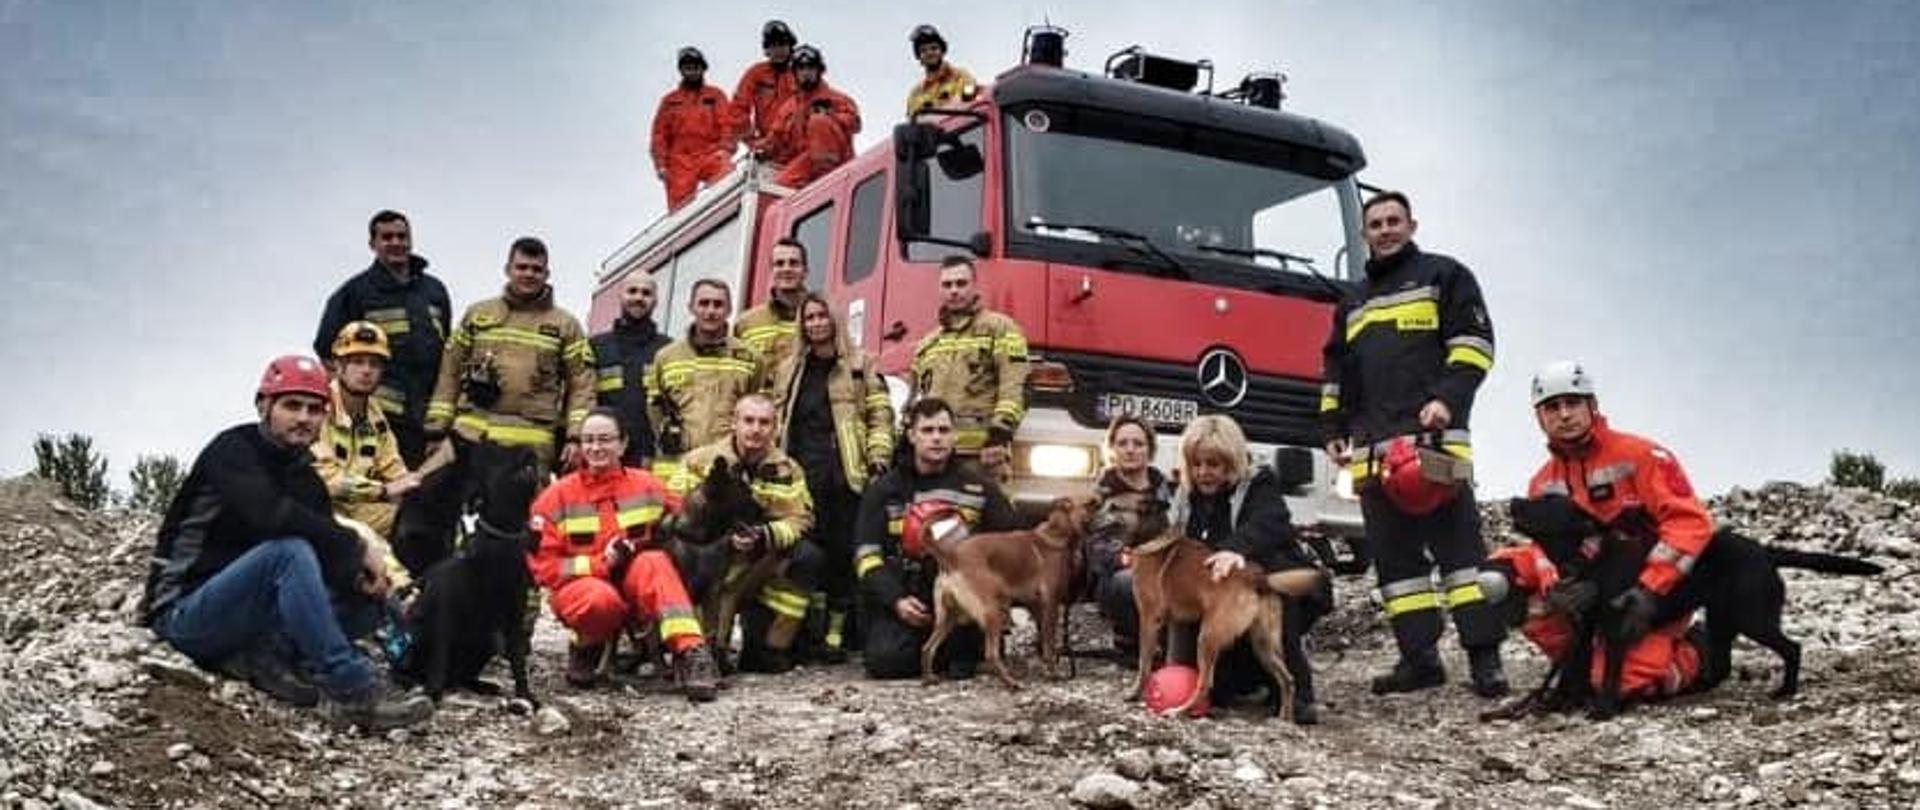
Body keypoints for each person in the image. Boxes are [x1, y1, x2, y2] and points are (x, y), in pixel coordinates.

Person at [140, 355, 432, 730]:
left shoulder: (305, 477)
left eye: (314, 409)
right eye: (291, 406)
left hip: (244, 612)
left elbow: (327, 546)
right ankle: (353, 694)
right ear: (264, 406)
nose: (303, 418)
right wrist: (359, 546)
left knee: (364, 600)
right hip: (183, 613)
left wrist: (366, 580)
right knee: (289, 553)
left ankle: (265, 658)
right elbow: (271, 515)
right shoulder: (233, 449)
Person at [1319, 190, 1509, 698]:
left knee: (1464, 559)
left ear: (1411, 224)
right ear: (1364, 235)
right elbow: (1336, 371)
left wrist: (1447, 399)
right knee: (1398, 569)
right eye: (1376, 223)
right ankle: (1419, 659)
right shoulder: (1352, 302)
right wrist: (1333, 429)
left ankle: (1486, 661)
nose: (1385, 230)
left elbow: (1475, 345)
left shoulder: (1446, 276)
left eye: (1393, 221)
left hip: (1436, 450)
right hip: (1374, 458)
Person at [1488, 361, 1711, 700]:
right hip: (1593, 594)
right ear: (1540, 417)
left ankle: (1697, 650)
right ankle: (1578, 664)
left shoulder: (1641, 456)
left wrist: (1648, 590)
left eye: (1573, 403)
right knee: (1499, 578)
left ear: (1592, 406)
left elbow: (1690, 524)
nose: (1564, 415)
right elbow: (1543, 548)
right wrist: (1556, 584)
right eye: (1552, 407)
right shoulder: (1543, 482)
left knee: (1625, 685)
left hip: (1648, 596)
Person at [411, 237, 596, 573]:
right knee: (438, 508)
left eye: (536, 269)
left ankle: (519, 613)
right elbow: (449, 372)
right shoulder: (478, 315)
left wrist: (575, 437)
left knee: (527, 530)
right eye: (522, 267)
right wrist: (437, 429)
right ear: (508, 269)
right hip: (471, 431)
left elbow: (582, 383)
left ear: (547, 273)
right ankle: (441, 590)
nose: (528, 274)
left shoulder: (565, 325)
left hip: (530, 440)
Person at [1137, 415, 1331, 723]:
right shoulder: (1186, 494)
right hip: (1221, 593)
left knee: (1276, 615)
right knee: (1224, 684)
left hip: (1275, 580)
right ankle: (1233, 682)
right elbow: (1173, 535)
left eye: (1213, 464)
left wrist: (1235, 549)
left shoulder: (1259, 482)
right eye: (1197, 464)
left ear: (1231, 462)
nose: (1204, 472)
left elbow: (1271, 522)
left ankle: (1299, 696)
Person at [527, 408, 720, 700]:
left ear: (623, 444)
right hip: (582, 589)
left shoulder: (648, 485)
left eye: (605, 439)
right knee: (599, 599)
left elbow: (687, 519)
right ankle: (586, 647)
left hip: (635, 584)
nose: (595, 448)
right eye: (588, 440)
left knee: (654, 561)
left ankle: (691, 653)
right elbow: (543, 567)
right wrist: (600, 563)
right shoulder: (556, 497)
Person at [769, 293, 895, 661]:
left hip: (846, 476)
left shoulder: (861, 363)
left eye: (822, 316)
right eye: (809, 318)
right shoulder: (789, 368)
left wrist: (879, 459)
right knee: (809, 556)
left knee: (843, 557)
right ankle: (809, 634)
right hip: (801, 478)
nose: (816, 324)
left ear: (835, 320)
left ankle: (837, 638)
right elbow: (778, 420)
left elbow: (880, 415)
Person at [855, 398, 1018, 679]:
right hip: (908, 591)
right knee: (885, 662)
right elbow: (865, 555)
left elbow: (1010, 545)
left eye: (943, 430)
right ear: (911, 436)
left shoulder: (979, 488)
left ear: (954, 436)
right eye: (928, 430)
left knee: (961, 666)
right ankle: (937, 648)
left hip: (962, 595)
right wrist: (896, 600)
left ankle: (965, 643)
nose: (936, 439)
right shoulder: (886, 489)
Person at [668, 394, 820, 673]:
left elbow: (801, 520)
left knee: (807, 557)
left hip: (756, 562)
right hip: (705, 562)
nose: (756, 429)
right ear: (734, 424)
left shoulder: (788, 470)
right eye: (748, 420)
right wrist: (721, 540)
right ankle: (699, 647)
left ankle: (770, 647)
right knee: (712, 658)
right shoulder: (697, 461)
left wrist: (762, 536)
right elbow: (673, 513)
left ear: (775, 428)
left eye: (764, 422)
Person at [313, 210, 453, 468]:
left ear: (411, 240)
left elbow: (447, 352)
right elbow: (326, 352)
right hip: (378, 419)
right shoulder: (354, 292)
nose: (396, 243)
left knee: (422, 498)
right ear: (373, 244)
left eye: (402, 236)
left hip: (427, 420)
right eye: (387, 237)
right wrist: (349, 409)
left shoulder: (435, 290)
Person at [310, 322, 418, 590]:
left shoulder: (375, 414)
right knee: (364, 536)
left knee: (422, 521)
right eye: (357, 361)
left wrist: (417, 491)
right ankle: (405, 600)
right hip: (317, 509)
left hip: (362, 508)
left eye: (374, 363)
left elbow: (394, 468)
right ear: (338, 365)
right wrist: (382, 490)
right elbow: (326, 478)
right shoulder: (316, 407)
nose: (367, 370)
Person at [645, 279, 766, 481]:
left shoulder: (751, 358)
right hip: (677, 467)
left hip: (729, 467)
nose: (710, 311)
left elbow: (760, 411)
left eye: (718, 305)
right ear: (691, 307)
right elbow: (654, 408)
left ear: (729, 310)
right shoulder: (665, 358)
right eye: (704, 303)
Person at [909, 256, 1029, 460]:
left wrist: (1000, 433)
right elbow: (915, 400)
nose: (954, 290)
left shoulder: (1000, 328)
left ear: (974, 286)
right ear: (939, 290)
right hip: (936, 457)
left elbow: (1014, 385)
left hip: (981, 454)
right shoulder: (927, 344)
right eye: (947, 285)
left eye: (961, 283)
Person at [1088, 414, 1173, 657]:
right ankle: (1130, 638)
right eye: (1122, 443)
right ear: (1112, 449)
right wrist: (1127, 559)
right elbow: (1096, 552)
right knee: (1127, 582)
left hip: (1168, 569)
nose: (1130, 450)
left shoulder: (1170, 491)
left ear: (1150, 449)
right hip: (1120, 573)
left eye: (1138, 444)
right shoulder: (1098, 496)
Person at [589, 274, 672, 469]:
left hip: (649, 459)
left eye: (646, 293)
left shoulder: (668, 350)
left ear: (656, 301)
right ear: (620, 295)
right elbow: (584, 398)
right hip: (604, 456)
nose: (638, 297)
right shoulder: (596, 347)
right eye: (632, 291)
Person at [764, 44, 861, 188]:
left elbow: (855, 123)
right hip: (807, 160)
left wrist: (829, 115)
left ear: (819, 70)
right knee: (780, 185)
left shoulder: (836, 98)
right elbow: (774, 140)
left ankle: (826, 183)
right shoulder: (787, 109)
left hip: (839, 163)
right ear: (795, 73)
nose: (806, 72)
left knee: (818, 122)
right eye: (801, 68)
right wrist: (761, 151)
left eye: (810, 67)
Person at [653, 46, 736, 211]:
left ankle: (728, 213)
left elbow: (727, 124)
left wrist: (726, 148)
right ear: (681, 71)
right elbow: (659, 135)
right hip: (680, 160)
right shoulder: (669, 101)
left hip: (710, 152)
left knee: (727, 178)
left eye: (695, 66)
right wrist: (661, 164)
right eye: (687, 67)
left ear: (703, 68)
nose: (692, 71)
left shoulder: (715, 95)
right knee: (680, 211)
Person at [733, 238, 810, 373]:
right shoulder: (746, 324)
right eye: (780, 264)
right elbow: (735, 377)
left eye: (793, 263)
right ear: (771, 272)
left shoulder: (822, 318)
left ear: (806, 271)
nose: (786, 269)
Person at [733, 19, 800, 158]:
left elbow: (822, 99)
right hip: (768, 147)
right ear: (766, 49)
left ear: (790, 46)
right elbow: (738, 109)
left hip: (799, 145)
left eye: (782, 44)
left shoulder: (803, 70)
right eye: (773, 46)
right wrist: (752, 141)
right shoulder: (756, 73)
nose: (778, 50)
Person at [905, 24, 977, 117]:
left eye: (934, 48)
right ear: (919, 57)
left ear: (942, 51)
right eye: (923, 51)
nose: (929, 53)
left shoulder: (962, 76)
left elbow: (971, 103)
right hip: (930, 131)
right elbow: (912, 125)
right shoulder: (915, 95)